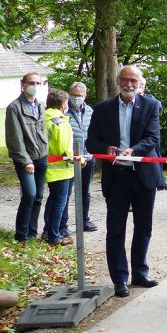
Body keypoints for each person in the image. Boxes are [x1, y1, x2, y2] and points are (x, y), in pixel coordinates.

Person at [86, 65, 163, 298]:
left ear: (140, 83)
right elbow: (91, 142)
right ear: (118, 81)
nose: (129, 84)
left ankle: (140, 272)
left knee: (144, 226)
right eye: (125, 80)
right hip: (116, 176)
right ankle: (120, 278)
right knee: (116, 229)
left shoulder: (150, 106)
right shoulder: (102, 109)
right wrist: (106, 149)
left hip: (143, 175)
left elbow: (153, 138)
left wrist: (134, 150)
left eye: (134, 81)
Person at [5, 72, 48, 245]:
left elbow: (43, 132)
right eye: (32, 82)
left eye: (38, 83)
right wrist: (26, 161)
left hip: (42, 156)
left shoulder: (40, 105)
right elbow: (14, 138)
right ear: (23, 84)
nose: (35, 86)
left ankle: (32, 233)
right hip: (26, 159)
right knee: (29, 194)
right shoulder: (14, 107)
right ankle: (21, 235)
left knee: (38, 196)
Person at [59, 82, 98, 236]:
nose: (76, 98)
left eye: (79, 96)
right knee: (66, 192)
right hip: (68, 159)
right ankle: (63, 225)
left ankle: (84, 221)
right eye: (73, 95)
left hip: (87, 156)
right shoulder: (63, 111)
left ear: (85, 96)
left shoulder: (90, 111)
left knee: (85, 191)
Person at [42, 89, 75, 246]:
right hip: (62, 169)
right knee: (60, 202)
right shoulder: (60, 122)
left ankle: (48, 230)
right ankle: (54, 236)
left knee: (53, 200)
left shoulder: (44, 118)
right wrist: (77, 160)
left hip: (48, 167)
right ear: (62, 104)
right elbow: (65, 148)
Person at [137, 77, 167, 191]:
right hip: (139, 136)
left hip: (152, 133)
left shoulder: (150, 97)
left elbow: (159, 106)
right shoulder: (132, 99)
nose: (141, 85)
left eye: (143, 84)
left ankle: (161, 181)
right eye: (140, 83)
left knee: (157, 156)